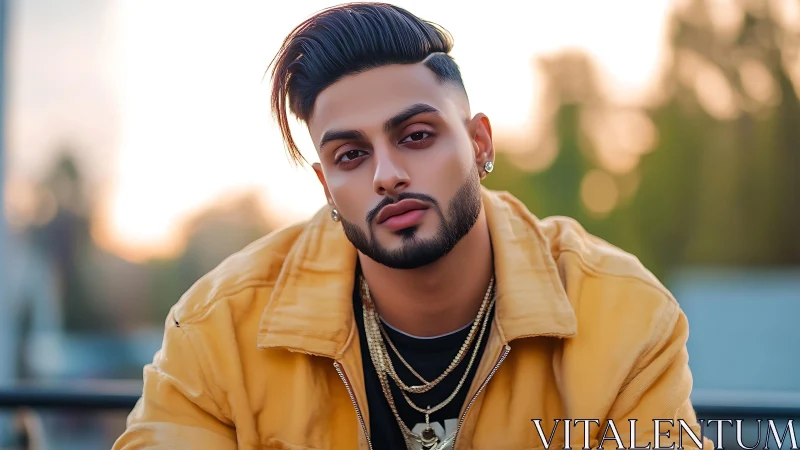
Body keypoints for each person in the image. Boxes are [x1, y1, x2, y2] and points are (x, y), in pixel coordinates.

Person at [113, 3, 712, 449]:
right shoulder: (221, 327)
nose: (388, 175)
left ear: (479, 143)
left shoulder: (622, 315)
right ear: (326, 188)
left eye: (416, 136)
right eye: (351, 155)